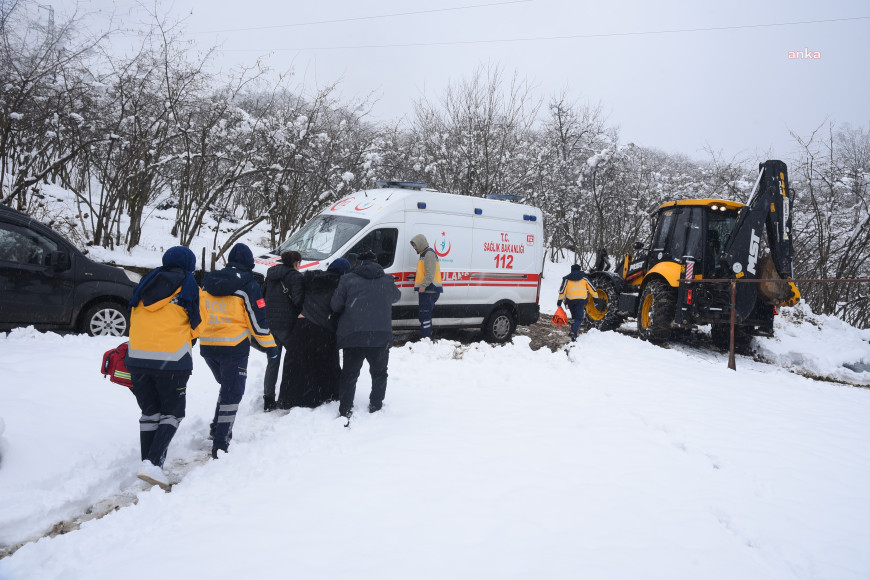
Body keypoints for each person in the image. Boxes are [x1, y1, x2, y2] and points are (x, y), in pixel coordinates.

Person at [125, 246, 201, 490]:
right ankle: (152, 464)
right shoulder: (189, 285)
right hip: (171, 359)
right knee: (173, 412)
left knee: (150, 412)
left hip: (136, 358)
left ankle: (148, 465)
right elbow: (198, 324)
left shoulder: (145, 284)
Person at [199, 243, 277, 458]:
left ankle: (216, 427)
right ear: (249, 263)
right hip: (233, 347)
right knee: (233, 393)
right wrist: (270, 346)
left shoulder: (209, 282)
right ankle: (221, 442)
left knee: (227, 386)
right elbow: (258, 321)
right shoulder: (248, 285)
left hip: (207, 346)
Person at [331, 248, 401, 423]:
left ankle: (345, 408)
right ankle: (376, 405)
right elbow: (396, 297)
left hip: (353, 335)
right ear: (376, 262)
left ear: (357, 263)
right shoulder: (387, 280)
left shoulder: (347, 280)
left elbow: (335, 305)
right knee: (379, 373)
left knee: (349, 374)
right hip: (380, 336)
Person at [281, 258, 352, 409]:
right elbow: (338, 307)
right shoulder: (340, 284)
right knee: (324, 364)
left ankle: (289, 399)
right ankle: (319, 397)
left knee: (297, 364)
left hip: (302, 324)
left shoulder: (313, 279)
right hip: (323, 328)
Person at [263, 250, 304, 412]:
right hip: (288, 326)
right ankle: (290, 396)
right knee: (294, 361)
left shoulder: (271, 275)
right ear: (296, 263)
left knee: (273, 362)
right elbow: (299, 300)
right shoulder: (296, 277)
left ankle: (268, 399)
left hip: (270, 324)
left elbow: (263, 295)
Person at [410, 234, 443, 339]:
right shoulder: (424, 254)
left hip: (429, 290)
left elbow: (430, 273)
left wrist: (423, 286)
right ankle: (426, 337)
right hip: (427, 291)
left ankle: (426, 339)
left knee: (425, 316)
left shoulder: (429, 254)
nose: (414, 248)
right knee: (424, 316)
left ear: (420, 243)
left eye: (415, 245)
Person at [557, 264, 600, 341]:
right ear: (579, 269)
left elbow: (562, 291)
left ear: (572, 270)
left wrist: (559, 302)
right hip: (581, 301)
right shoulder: (584, 278)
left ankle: (573, 334)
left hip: (570, 301)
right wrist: (596, 300)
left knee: (574, 317)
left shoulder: (566, 279)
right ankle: (573, 332)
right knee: (579, 318)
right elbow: (592, 289)